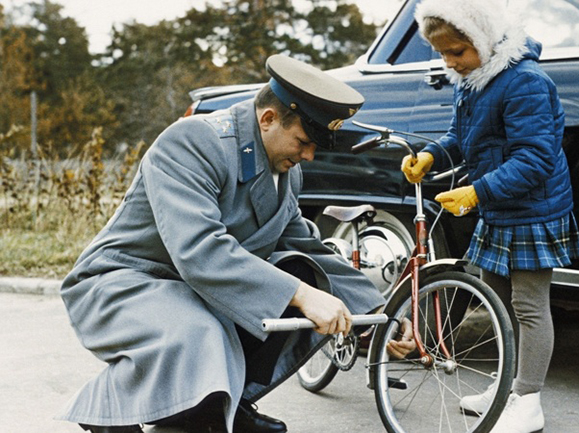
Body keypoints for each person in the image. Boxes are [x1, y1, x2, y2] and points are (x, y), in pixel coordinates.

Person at [57, 54, 389, 433]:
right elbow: (201, 251)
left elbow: (308, 247)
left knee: (304, 274)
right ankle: (114, 411)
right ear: (267, 119)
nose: (309, 156)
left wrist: (377, 317)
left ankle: (219, 403)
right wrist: (298, 294)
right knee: (205, 331)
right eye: (303, 141)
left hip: (189, 288)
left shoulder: (284, 171)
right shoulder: (193, 142)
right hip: (123, 282)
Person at [403, 1, 579, 432]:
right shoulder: (471, 80)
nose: (450, 62)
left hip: (533, 208)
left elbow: (536, 159)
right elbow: (463, 136)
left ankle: (528, 399)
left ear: (484, 40)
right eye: (442, 53)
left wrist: (476, 191)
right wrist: (431, 154)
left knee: (528, 305)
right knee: (496, 296)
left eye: (457, 52)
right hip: (499, 204)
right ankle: (507, 384)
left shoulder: (525, 82)